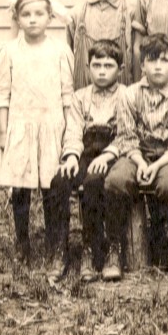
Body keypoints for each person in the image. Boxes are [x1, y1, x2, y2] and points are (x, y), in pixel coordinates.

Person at [102, 34, 168, 281]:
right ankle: (115, 248)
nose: (157, 66)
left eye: (165, 61)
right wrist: (142, 162)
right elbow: (126, 137)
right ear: (142, 65)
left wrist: (156, 166)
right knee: (116, 180)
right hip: (136, 154)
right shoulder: (129, 95)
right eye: (151, 60)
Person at [0, 0, 73, 264]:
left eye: (39, 14)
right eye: (26, 15)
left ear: (50, 17)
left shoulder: (60, 49)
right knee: (19, 188)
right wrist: (4, 131)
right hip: (20, 125)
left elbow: (67, 94)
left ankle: (54, 244)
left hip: (52, 126)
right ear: (17, 18)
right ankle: (22, 241)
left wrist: (67, 132)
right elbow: (2, 94)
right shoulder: (9, 51)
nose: (33, 20)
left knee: (52, 186)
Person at [48, 40, 125, 282]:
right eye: (97, 65)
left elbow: (128, 133)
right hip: (85, 151)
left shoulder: (126, 95)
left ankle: (95, 250)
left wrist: (109, 154)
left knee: (94, 182)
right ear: (88, 67)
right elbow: (73, 130)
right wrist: (71, 156)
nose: (102, 71)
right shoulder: (80, 98)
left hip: (113, 153)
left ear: (120, 69)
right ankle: (59, 250)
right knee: (59, 181)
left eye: (109, 65)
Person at [66, 0, 133, 89]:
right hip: (84, 94)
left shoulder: (130, 12)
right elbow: (69, 57)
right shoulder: (77, 14)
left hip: (121, 93)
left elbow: (137, 57)